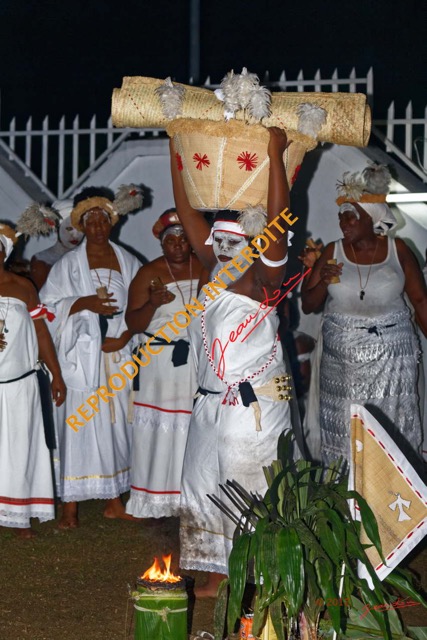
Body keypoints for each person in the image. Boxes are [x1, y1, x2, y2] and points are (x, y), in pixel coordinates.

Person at [170, 127, 296, 596]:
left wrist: (274, 155)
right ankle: (216, 569)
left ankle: (261, 574)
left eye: (232, 241)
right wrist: (175, 146)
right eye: (217, 242)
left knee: (249, 484)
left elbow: (280, 219)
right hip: (209, 404)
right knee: (204, 482)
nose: (221, 249)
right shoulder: (215, 274)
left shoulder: (262, 279)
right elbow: (186, 210)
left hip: (252, 407)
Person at [301, 164, 427, 466]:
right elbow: (309, 304)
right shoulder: (332, 251)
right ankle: (346, 499)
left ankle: (396, 496)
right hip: (343, 365)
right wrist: (321, 278)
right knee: (346, 429)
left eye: (351, 216)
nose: (343, 222)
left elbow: (420, 301)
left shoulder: (399, 250)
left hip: (392, 362)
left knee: (392, 426)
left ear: (371, 218)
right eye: (341, 216)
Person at [40, 195, 141, 528]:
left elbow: (140, 308)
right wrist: (84, 303)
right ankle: (70, 506)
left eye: (103, 221)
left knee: (114, 427)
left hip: (116, 354)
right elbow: (48, 309)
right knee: (79, 425)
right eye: (90, 222)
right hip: (80, 357)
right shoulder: (67, 265)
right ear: (80, 226)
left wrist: (125, 337)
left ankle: (113, 499)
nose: (97, 227)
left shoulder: (129, 262)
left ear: (112, 223)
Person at [125, 210, 202, 519]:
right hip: (158, 361)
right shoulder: (148, 273)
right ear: (161, 243)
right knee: (159, 429)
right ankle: (153, 499)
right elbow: (132, 323)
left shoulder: (208, 267)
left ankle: (190, 494)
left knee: (192, 426)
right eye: (171, 240)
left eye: (184, 239)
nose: (179, 246)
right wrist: (152, 304)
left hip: (197, 357)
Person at [0, 223, 66, 538]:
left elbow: (40, 331)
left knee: (19, 446)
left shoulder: (23, 286)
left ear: (4, 252)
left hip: (18, 382)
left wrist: (56, 375)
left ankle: (18, 513)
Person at [30, 200, 83, 290]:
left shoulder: (88, 256)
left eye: (80, 228)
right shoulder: (42, 261)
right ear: (56, 229)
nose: (75, 235)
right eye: (69, 228)